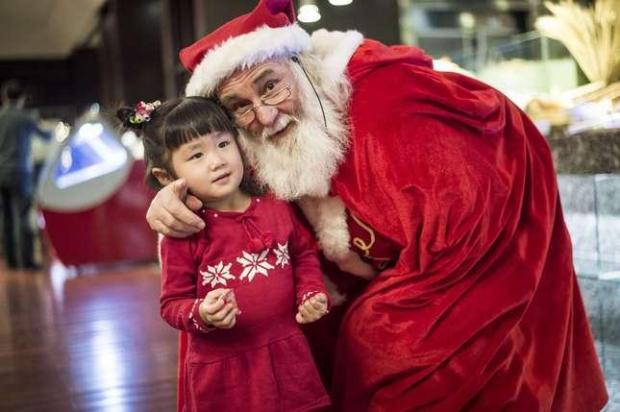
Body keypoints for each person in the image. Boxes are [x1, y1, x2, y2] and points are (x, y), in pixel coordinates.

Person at [146, 0, 608, 410]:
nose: (264, 115)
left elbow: (475, 221)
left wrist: (375, 325)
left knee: (384, 359)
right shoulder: (257, 139)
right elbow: (201, 159)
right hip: (367, 287)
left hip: (479, 269)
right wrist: (171, 197)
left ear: (301, 66)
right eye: (240, 107)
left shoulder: (392, 101)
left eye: (270, 87)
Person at [118, 96, 332, 412]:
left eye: (222, 144)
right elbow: (171, 304)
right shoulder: (184, 232)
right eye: (196, 155)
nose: (216, 161)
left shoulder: (274, 201)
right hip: (226, 369)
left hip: (288, 354)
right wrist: (202, 312)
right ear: (166, 177)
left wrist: (310, 291)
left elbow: (303, 253)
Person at [0, 79, 51, 270]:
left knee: (5, 218)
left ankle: (11, 262)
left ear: (4, 98)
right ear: (21, 98)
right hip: (19, 172)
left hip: (1, 172)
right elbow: (46, 136)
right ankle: (26, 261)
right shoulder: (25, 117)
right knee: (22, 217)